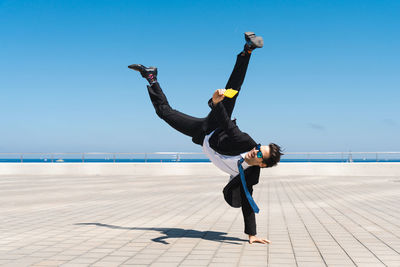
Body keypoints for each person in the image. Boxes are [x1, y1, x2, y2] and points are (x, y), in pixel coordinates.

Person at [128, 32, 283, 244]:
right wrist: (216, 103)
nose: (254, 150)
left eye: (258, 153)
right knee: (232, 90)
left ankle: (151, 76)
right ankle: (247, 50)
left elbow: (248, 200)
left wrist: (252, 235)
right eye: (258, 147)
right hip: (217, 125)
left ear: (262, 164)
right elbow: (228, 125)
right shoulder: (245, 142)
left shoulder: (251, 174)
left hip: (202, 135)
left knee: (164, 112)